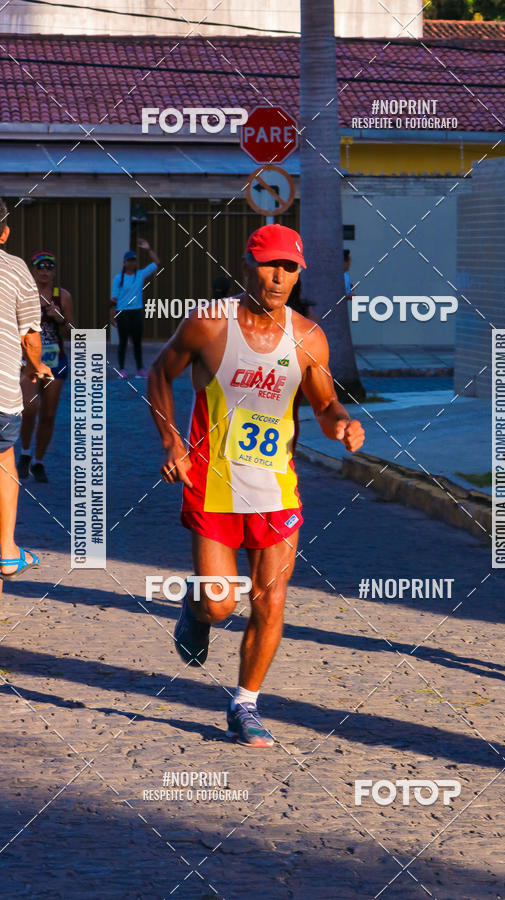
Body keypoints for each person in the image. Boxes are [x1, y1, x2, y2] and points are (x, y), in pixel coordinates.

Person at [148, 223, 365, 748]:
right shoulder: (209, 324)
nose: (278, 276)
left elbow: (324, 400)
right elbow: (159, 374)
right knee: (221, 602)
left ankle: (245, 704)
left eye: (289, 268)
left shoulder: (308, 337)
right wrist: (172, 443)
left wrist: (340, 422)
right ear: (247, 265)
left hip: (276, 491)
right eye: (269, 264)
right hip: (213, 485)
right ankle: (195, 611)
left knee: (270, 601)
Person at [0, 198, 53, 581]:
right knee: (4, 463)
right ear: (4, 232)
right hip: (1, 389)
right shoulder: (16, 269)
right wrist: (37, 367)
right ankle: (6, 552)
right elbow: (30, 334)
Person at [17, 251, 74, 483]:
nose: (44, 271)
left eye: (49, 267)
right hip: (27, 360)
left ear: (54, 271)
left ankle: (38, 462)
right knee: (30, 408)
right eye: (40, 267)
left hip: (55, 359)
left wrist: (60, 318)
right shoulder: (23, 295)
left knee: (48, 415)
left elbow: (71, 329)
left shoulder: (63, 296)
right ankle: (24, 454)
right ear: (33, 269)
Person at [110, 238, 159, 378]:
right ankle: (121, 369)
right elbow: (114, 298)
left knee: (137, 342)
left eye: (133, 260)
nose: (131, 263)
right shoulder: (119, 278)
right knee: (123, 343)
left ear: (135, 262)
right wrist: (112, 315)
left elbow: (156, 263)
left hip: (136, 312)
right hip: (123, 313)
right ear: (124, 263)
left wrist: (148, 248)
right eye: (129, 260)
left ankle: (140, 369)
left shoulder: (140, 275)